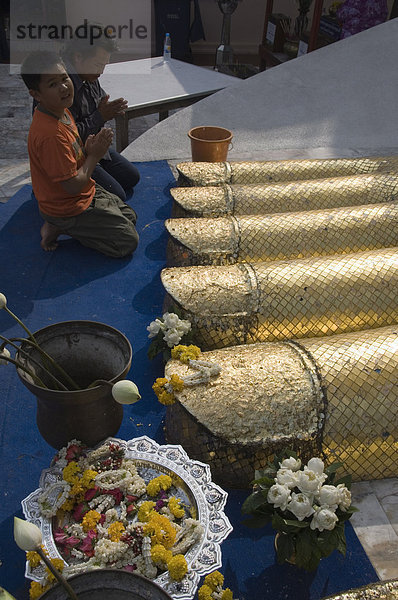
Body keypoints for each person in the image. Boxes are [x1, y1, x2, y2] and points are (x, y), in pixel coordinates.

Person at [21, 50, 138, 257]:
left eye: (64, 78)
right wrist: (94, 155)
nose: (64, 87)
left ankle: (65, 223)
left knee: (130, 216)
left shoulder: (62, 110)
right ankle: (60, 226)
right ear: (36, 95)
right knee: (128, 242)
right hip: (66, 206)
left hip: (85, 191)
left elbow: (73, 154)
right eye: (52, 84)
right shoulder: (50, 135)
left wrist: (88, 148)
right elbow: (73, 186)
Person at [60, 32, 140, 202]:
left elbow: (100, 105)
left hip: (93, 147)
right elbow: (67, 138)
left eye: (104, 65)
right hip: (73, 156)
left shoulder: (89, 75)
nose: (101, 71)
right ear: (78, 57)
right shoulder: (63, 87)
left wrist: (108, 110)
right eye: (97, 64)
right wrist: (101, 116)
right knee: (117, 196)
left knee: (131, 177)